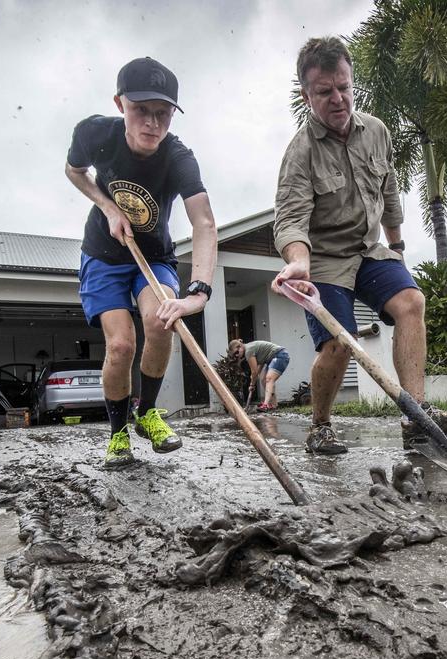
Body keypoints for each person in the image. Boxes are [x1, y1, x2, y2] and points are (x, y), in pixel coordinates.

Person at [272, 36, 447, 455]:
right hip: (323, 261)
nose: (338, 99)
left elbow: (390, 191)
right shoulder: (300, 153)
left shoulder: (376, 131)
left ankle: (416, 417)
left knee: (411, 303)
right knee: (339, 343)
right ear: (307, 95)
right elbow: (290, 221)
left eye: (344, 87)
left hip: (368, 250)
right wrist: (299, 263)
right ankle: (321, 425)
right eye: (325, 92)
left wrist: (396, 245)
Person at [65, 56, 217, 469]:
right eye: (142, 111)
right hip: (102, 254)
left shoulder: (178, 157)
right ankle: (117, 434)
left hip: (153, 256)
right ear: (120, 104)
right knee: (120, 345)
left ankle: (147, 413)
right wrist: (107, 206)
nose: (152, 123)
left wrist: (198, 293)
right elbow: (74, 171)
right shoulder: (94, 133)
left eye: (163, 114)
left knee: (161, 318)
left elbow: (203, 223)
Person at [228, 339, 290, 411]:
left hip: (280, 355)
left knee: (269, 379)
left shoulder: (249, 351)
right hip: (270, 359)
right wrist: (253, 380)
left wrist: (252, 384)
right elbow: (260, 363)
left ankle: (265, 405)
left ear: (240, 347)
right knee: (263, 379)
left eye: (236, 353)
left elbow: (254, 371)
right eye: (235, 355)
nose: (237, 355)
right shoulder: (249, 349)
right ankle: (273, 404)